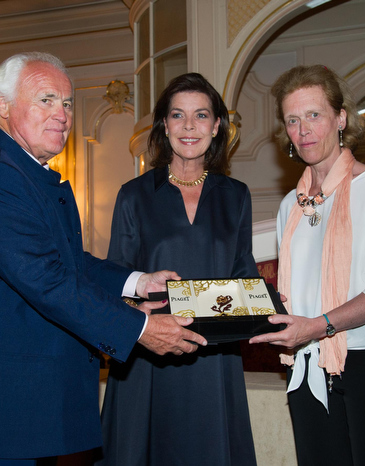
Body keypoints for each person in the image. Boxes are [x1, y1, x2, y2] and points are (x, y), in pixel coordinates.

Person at [0, 52, 207, 465]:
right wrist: (140, 328)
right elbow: (46, 279)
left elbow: (65, 263)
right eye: (46, 100)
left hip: (6, 409)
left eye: (68, 103)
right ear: (2, 105)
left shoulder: (22, 173)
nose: (62, 114)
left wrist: (137, 281)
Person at [249, 65, 365, 465]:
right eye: (293, 120)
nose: (303, 130)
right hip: (308, 367)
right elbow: (294, 295)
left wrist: (316, 326)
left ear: (341, 118)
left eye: (314, 115)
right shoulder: (289, 206)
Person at [97, 73, 258, 466]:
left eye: (201, 115)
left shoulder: (236, 196)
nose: (189, 126)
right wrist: (135, 318)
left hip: (213, 358)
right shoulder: (133, 195)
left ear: (216, 126)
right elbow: (117, 276)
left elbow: (243, 272)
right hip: (148, 357)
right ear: (164, 126)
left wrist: (264, 300)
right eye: (177, 115)